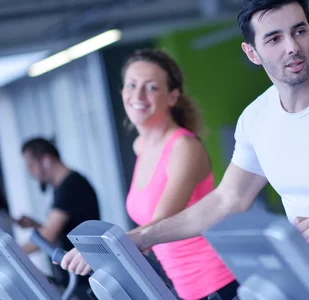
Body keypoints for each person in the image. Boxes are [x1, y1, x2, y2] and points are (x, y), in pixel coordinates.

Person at [62, 0, 309, 300]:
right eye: (274, 38)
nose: (292, 46)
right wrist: (134, 239)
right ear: (252, 53)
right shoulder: (256, 119)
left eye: (299, 31)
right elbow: (227, 201)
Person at [66, 49, 238, 300]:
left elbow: (160, 223)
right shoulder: (142, 146)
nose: (138, 95)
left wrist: (100, 251)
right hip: (180, 284)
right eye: (131, 85)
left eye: (151, 87)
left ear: (172, 97)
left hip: (215, 279)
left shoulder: (184, 148)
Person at [16, 137, 101, 298]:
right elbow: (63, 231)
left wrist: (10, 252)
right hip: (76, 276)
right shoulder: (63, 187)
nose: (30, 173)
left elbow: (48, 236)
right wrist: (35, 225)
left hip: (83, 278)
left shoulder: (71, 186)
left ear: (46, 160)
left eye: (31, 165)